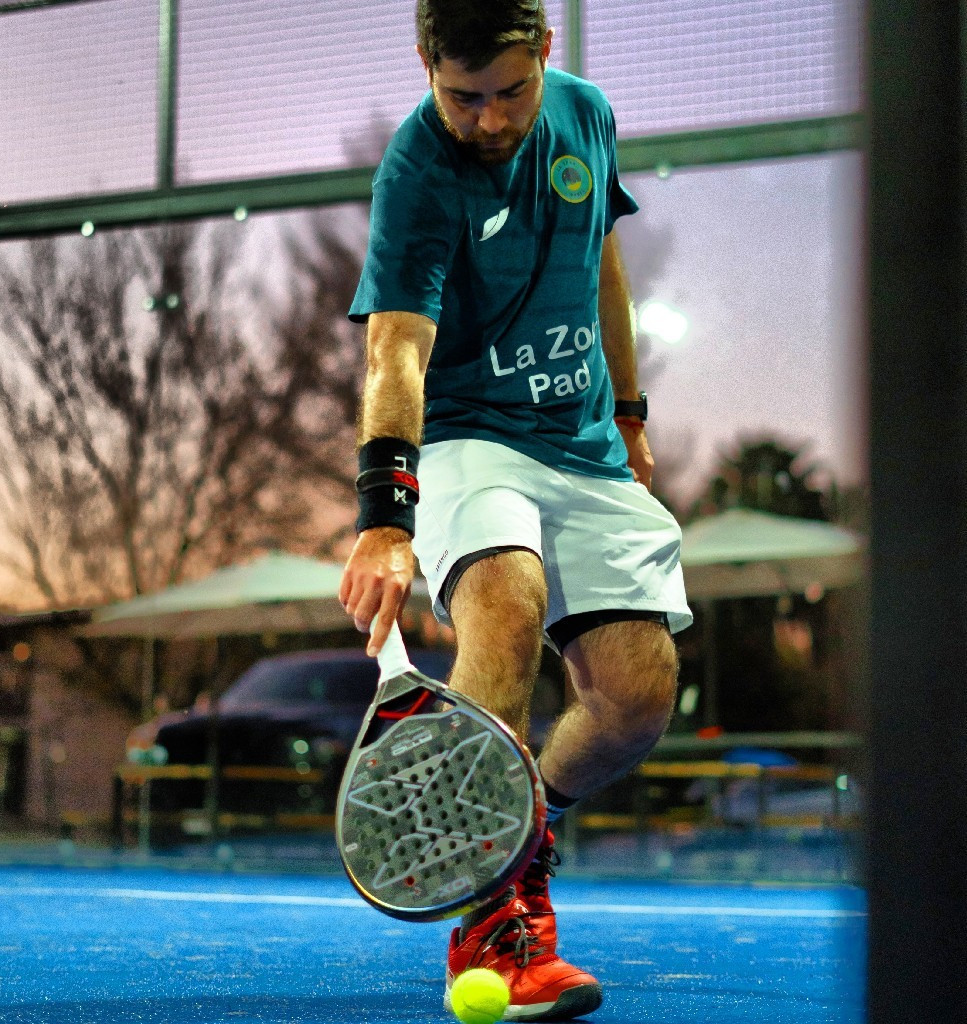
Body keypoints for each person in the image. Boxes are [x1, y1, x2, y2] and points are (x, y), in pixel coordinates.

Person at [339, 1, 692, 1019]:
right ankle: (493, 919)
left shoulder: (586, 115)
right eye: (463, 97)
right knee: (504, 599)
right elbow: (394, 349)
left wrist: (628, 409)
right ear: (425, 63)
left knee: (636, 695)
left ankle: (513, 834)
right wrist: (385, 517)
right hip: (465, 433)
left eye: (510, 93)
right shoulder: (416, 171)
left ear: (545, 49)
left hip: (580, 442)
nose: (489, 120)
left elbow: (600, 260)